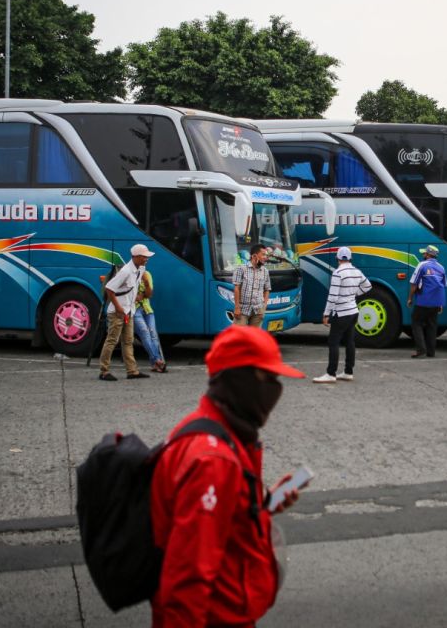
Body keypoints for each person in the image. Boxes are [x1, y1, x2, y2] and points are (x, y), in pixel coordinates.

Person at [151, 325, 306, 627]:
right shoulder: (212, 461)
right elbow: (186, 581)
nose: (275, 390)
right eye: (268, 378)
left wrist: (262, 503)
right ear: (239, 379)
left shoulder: (214, 429)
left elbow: (224, 522)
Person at [314, 247, 372, 383]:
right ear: (350, 258)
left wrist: (326, 313)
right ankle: (348, 371)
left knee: (333, 342)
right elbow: (368, 286)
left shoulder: (338, 273)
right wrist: (352, 294)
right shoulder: (357, 271)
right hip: (353, 311)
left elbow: (333, 296)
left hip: (341, 313)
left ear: (337, 258)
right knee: (350, 341)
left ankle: (331, 373)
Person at [97, 244, 151, 381]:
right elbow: (109, 288)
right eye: (145, 257)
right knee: (112, 341)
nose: (147, 259)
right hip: (118, 312)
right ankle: (104, 371)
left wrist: (145, 284)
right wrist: (119, 308)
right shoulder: (126, 271)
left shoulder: (140, 269)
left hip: (129, 311)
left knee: (128, 341)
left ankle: (132, 371)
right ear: (137, 257)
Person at [406, 245, 447, 358]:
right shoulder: (441, 267)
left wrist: (410, 298)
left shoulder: (422, 265)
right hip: (436, 302)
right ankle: (431, 351)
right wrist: (440, 303)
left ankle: (421, 350)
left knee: (416, 322)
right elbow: (443, 285)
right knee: (432, 326)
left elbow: (414, 283)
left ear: (428, 254)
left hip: (423, 301)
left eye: (424, 253)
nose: (423, 254)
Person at [132, 265, 168, 373]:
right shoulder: (129, 275)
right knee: (144, 332)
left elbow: (149, 294)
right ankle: (157, 360)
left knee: (153, 335)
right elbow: (128, 294)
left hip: (147, 309)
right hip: (135, 309)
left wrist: (146, 283)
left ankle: (154, 364)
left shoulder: (147, 275)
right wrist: (138, 296)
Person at [232, 243, 272, 328]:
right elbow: (236, 288)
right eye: (263, 255)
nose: (266, 257)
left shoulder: (265, 271)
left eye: (266, 255)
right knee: (238, 336)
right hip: (242, 310)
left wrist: (264, 306)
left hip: (258, 311)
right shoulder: (241, 269)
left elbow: (267, 289)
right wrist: (237, 307)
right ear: (254, 256)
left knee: (254, 338)